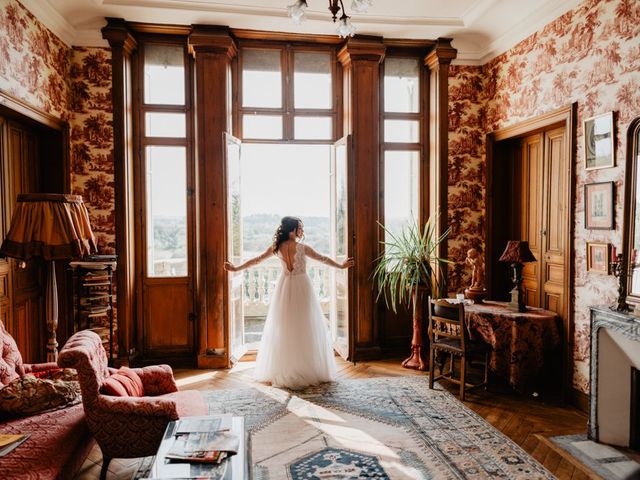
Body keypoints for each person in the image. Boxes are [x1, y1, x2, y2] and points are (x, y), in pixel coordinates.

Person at [224, 216, 354, 390]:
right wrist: (341, 266)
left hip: (285, 288)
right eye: (300, 228)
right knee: (305, 326)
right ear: (292, 230)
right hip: (302, 287)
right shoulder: (302, 248)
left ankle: (287, 367)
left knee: (285, 327)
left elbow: (257, 260)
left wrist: (236, 268)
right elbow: (323, 258)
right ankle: (306, 367)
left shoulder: (277, 247)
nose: (302, 231)